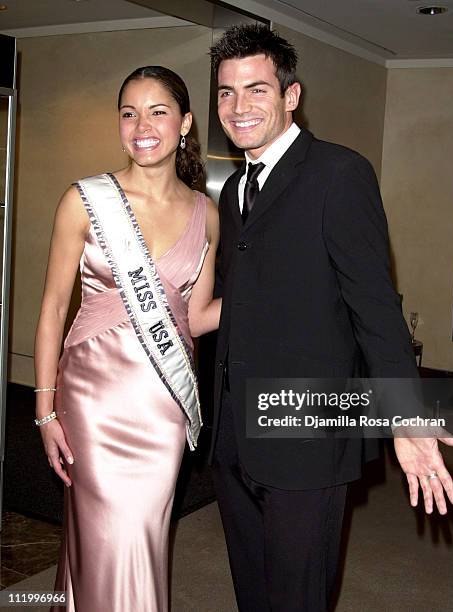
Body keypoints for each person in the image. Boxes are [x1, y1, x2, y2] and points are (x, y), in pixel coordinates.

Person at [208, 24, 453, 612]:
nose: (238, 106)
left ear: (290, 96)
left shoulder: (338, 174)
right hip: (234, 435)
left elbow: (376, 310)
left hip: (307, 431)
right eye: (226, 92)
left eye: (257, 89)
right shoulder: (233, 191)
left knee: (298, 597)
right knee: (254, 590)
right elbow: (241, 299)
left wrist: (407, 420)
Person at [34, 66, 220, 612]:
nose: (142, 125)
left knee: (143, 535)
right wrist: (45, 412)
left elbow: (196, 314)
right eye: (129, 112)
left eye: (158, 111)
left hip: (162, 405)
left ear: (184, 123)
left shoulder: (206, 215)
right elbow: (50, 311)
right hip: (93, 400)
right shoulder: (84, 200)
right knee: (104, 534)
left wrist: (269, 298)